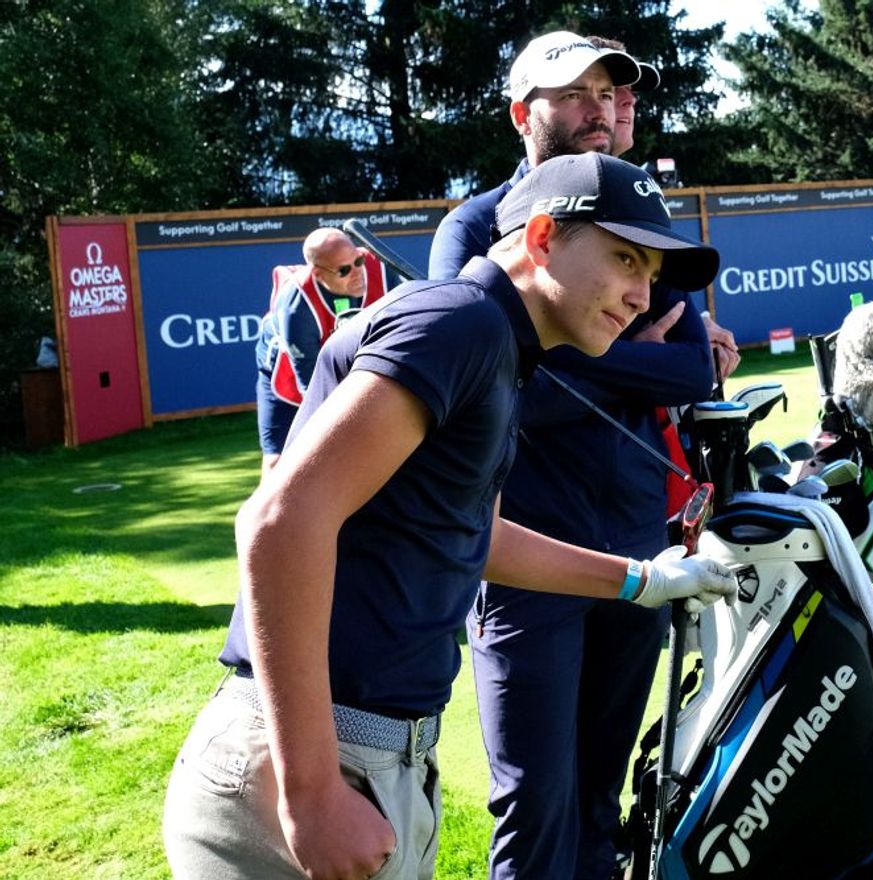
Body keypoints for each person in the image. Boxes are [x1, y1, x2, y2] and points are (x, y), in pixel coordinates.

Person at [161, 151, 733, 880]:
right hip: (317, 760)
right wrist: (312, 792)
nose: (640, 294)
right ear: (542, 236)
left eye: (650, 274)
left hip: (369, 754)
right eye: (625, 259)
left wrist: (642, 580)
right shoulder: (459, 324)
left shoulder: (498, 346)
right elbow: (279, 521)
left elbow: (472, 533)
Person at [428, 32, 737, 880]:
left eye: (607, 94)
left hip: (637, 541)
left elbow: (694, 370)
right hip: (525, 557)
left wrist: (559, 351)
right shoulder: (474, 228)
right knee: (536, 805)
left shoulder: (635, 211)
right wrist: (628, 355)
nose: (597, 110)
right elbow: (490, 390)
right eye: (573, 94)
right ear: (522, 114)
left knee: (601, 796)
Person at [255, 227, 391, 475]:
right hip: (287, 375)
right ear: (318, 273)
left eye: (358, 261)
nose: (357, 273)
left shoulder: (380, 269)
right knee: (278, 461)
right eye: (344, 270)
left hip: (351, 363)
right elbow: (313, 390)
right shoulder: (297, 308)